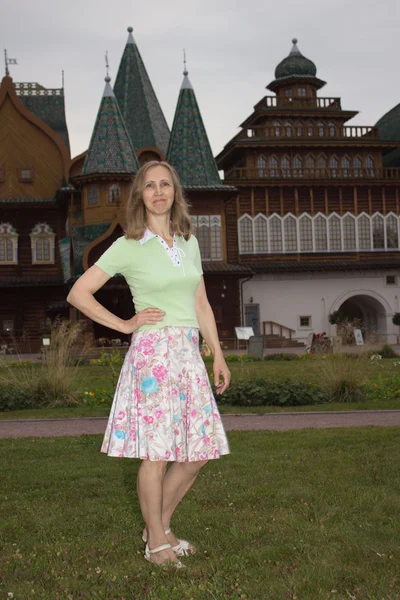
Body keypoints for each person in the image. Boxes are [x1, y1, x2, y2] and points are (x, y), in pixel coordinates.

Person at [66, 161, 231, 568]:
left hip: (189, 355)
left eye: (165, 184)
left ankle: (159, 526)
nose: (159, 192)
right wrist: (124, 324)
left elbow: (201, 302)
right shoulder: (128, 244)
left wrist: (218, 353)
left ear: (175, 191)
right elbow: (79, 293)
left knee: (198, 452)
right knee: (156, 454)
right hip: (154, 357)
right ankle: (158, 542)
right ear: (140, 194)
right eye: (150, 186)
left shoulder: (189, 242)